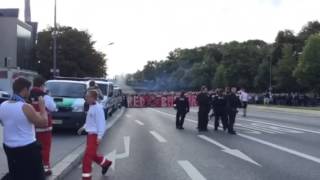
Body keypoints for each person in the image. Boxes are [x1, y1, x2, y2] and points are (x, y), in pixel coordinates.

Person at [0, 77, 48, 180]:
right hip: (27, 148)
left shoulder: (3, 105)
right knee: (37, 176)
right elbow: (43, 123)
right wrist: (42, 108)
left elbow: (4, 122)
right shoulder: (25, 107)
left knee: (16, 175)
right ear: (25, 89)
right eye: (29, 89)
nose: (30, 92)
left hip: (9, 147)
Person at [77, 90, 112, 180]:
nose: (86, 98)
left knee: (87, 158)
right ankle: (106, 163)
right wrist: (83, 127)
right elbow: (90, 121)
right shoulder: (91, 106)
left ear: (93, 98)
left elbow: (101, 123)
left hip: (94, 136)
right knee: (92, 155)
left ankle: (86, 178)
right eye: (86, 96)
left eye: (88, 97)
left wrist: (100, 136)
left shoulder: (98, 108)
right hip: (90, 135)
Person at [29, 76, 57, 176]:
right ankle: (45, 169)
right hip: (45, 128)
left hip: (32, 127)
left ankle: (33, 169)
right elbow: (53, 108)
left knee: (33, 149)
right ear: (42, 85)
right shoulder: (45, 96)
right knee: (45, 148)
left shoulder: (29, 95)